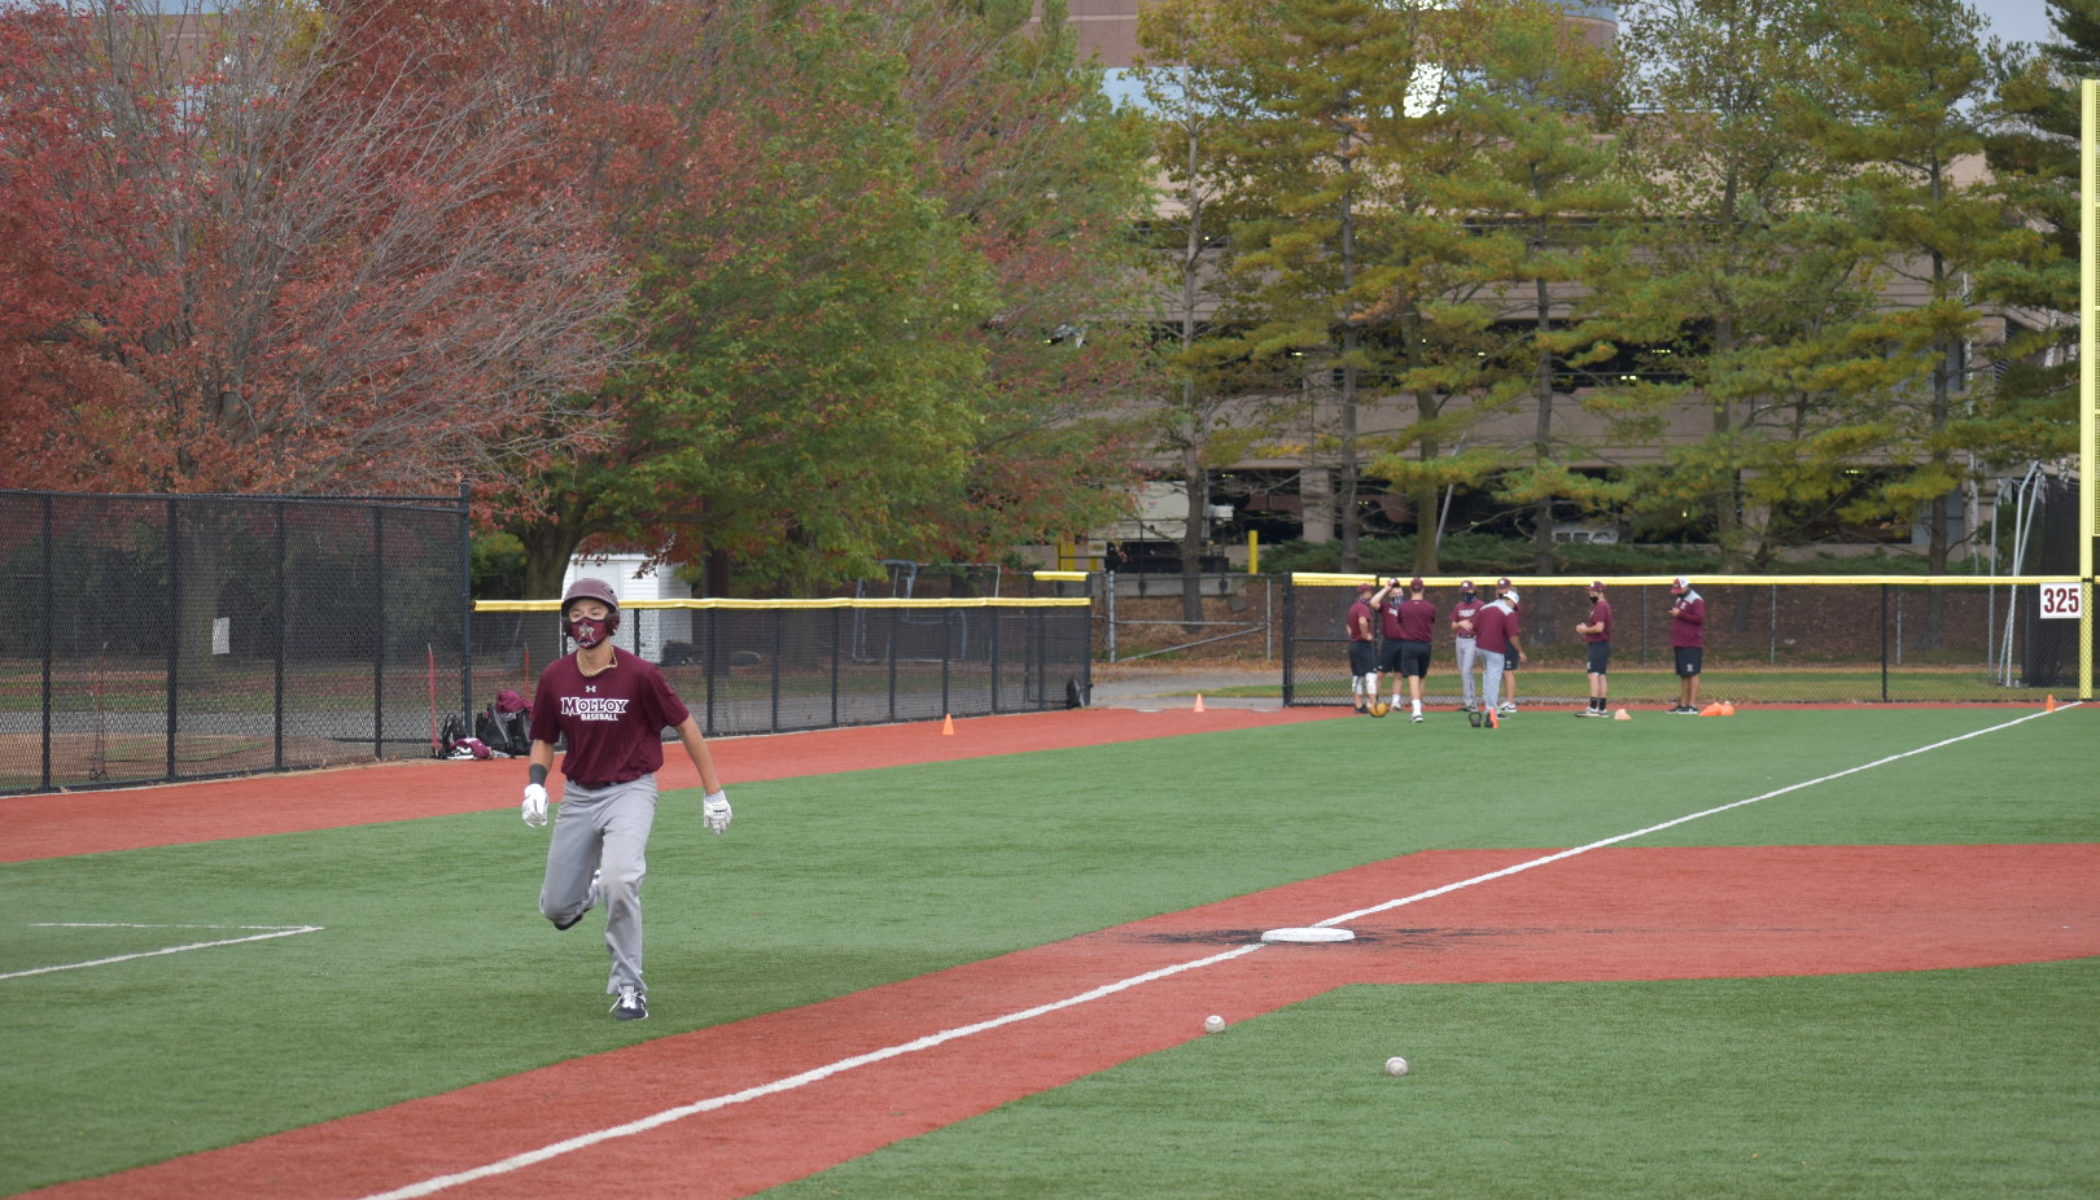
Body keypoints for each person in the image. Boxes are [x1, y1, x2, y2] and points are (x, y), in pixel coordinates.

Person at [521, 577, 733, 1021]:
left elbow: (687, 727)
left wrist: (713, 792)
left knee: (622, 882)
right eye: (576, 614)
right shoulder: (555, 676)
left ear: (612, 620)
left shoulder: (641, 674)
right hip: (579, 795)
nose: (585, 622)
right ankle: (596, 887)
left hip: (631, 790)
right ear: (566, 623)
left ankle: (630, 988)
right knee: (557, 908)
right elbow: (543, 737)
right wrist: (536, 785)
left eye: (595, 613)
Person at [1386, 576, 1436, 723]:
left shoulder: (1404, 607)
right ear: (1423, 588)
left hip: (1409, 645)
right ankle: (1419, 707)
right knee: (1422, 677)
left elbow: (1400, 622)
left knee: (1413, 678)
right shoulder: (1430, 607)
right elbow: (1431, 621)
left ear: (1410, 589)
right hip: (1425, 645)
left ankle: (1417, 711)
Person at [1472, 587, 1523, 721]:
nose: (1514, 606)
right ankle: (1492, 710)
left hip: (1480, 647)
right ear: (1511, 601)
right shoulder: (1507, 611)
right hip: (1495, 648)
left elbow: (1474, 627)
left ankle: (1489, 707)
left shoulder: (1484, 607)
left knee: (1488, 677)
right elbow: (1513, 635)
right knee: (1493, 679)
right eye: (1514, 604)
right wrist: (1520, 650)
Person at [1668, 575, 1707, 714]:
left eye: (1679, 588)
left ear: (1686, 586)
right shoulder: (1680, 599)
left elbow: (1699, 618)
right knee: (1684, 674)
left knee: (1692, 673)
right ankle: (1683, 704)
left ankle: (1693, 705)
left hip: (1691, 642)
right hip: (1680, 642)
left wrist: (1680, 614)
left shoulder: (1696, 600)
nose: (1677, 591)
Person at [1574, 580, 1612, 717]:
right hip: (1602, 644)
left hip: (1598, 645)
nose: (1590, 594)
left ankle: (1593, 707)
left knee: (1594, 674)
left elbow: (1599, 628)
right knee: (1601, 675)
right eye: (1590, 591)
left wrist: (1585, 630)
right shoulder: (1601, 606)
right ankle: (1601, 708)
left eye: (1592, 591)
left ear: (1600, 592)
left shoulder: (1601, 606)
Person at [1451, 580, 1485, 713]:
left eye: (1469, 590)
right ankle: (1469, 702)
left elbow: (1486, 622)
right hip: (1460, 639)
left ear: (1474, 590)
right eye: (1464, 591)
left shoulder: (1480, 605)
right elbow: (1453, 625)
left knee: (1467, 671)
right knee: (1463, 671)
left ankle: (1472, 703)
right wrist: (1460, 623)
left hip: (1473, 640)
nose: (1466, 593)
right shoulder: (1459, 606)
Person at [1346, 580, 1380, 714]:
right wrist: (1365, 635)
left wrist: (1353, 636)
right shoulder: (1363, 607)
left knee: (1357, 676)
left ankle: (1359, 705)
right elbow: (1362, 621)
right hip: (1363, 645)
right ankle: (1373, 704)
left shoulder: (1353, 606)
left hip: (1354, 644)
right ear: (1367, 593)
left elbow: (1348, 625)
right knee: (1371, 675)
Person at [1495, 577, 1522, 715]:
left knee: (1508, 672)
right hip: (1500, 641)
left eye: (1504, 588)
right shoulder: (1499, 604)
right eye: (1500, 588)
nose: (1502, 590)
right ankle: (1507, 700)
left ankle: (1511, 702)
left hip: (1509, 642)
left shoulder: (1512, 604)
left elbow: (1511, 629)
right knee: (1503, 672)